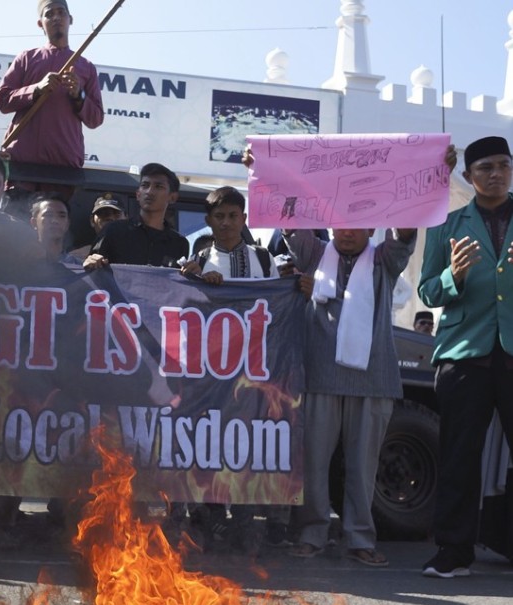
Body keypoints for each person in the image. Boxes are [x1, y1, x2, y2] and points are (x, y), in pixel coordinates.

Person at [285, 224, 416, 567]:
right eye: (340, 224)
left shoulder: (383, 258)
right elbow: (292, 227)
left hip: (372, 378)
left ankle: (360, 537)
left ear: (371, 227)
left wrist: (410, 218)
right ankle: (312, 533)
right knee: (313, 463)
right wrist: (266, 174)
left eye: (357, 226)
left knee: (363, 467)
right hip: (319, 375)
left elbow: (402, 241)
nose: (347, 233)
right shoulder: (315, 253)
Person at [418, 137, 513, 578]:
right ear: (468, 176)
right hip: (463, 354)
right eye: (485, 168)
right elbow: (428, 291)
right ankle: (452, 552)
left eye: (503, 165)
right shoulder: (449, 222)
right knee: (458, 456)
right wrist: (452, 276)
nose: (496, 174)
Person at [180, 186, 289, 552]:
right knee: (211, 439)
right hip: (209, 369)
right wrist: (197, 283)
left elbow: (274, 303)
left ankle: (244, 522)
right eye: (218, 216)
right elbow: (182, 307)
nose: (226, 223)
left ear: (243, 218)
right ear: (208, 221)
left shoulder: (262, 259)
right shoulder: (196, 256)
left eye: (232, 216)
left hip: (252, 366)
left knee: (244, 439)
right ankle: (211, 518)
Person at [0, 0, 103, 170]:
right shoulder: (26, 58)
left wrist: (79, 95)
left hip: (65, 166)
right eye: (49, 14)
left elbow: (96, 119)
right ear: (40, 23)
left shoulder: (86, 67)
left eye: (61, 13)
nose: (56, 18)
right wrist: (36, 89)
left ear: (71, 19)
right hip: (20, 163)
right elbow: (2, 101)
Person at [84, 162, 188, 271]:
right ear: (138, 194)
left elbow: (178, 284)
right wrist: (90, 263)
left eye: (158, 186)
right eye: (145, 185)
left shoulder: (179, 244)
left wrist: (194, 275)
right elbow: (93, 274)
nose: (149, 191)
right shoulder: (113, 231)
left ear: (172, 197)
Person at [30, 192, 77, 263]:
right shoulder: (21, 264)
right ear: (34, 222)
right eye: (48, 215)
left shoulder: (79, 267)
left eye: (62, 216)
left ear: (67, 224)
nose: (55, 220)